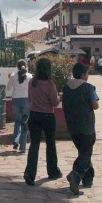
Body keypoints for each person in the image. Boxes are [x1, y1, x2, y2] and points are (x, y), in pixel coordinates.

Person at [24, 57, 63, 186]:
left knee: (34, 145)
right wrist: (58, 97)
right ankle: (52, 171)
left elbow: (30, 98)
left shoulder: (32, 82)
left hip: (34, 115)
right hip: (47, 115)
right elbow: (55, 102)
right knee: (50, 144)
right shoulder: (50, 84)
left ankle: (30, 173)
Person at [62, 62, 99, 195]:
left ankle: (88, 179)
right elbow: (95, 106)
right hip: (86, 126)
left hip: (72, 126)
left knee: (83, 152)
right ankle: (75, 174)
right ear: (83, 75)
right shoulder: (89, 88)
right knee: (86, 153)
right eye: (87, 73)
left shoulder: (66, 88)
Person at [7, 59, 32, 153]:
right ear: (26, 66)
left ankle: (15, 141)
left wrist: (10, 78)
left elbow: (8, 88)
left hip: (16, 100)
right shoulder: (29, 76)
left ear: (17, 67)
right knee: (25, 123)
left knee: (17, 122)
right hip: (26, 100)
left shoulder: (13, 76)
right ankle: (22, 147)